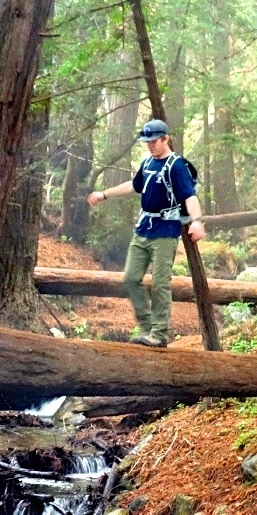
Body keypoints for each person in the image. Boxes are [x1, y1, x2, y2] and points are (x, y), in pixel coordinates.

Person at [87, 119, 206, 347]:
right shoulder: (148, 162)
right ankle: (146, 326)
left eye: (154, 141)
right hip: (143, 229)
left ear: (165, 139)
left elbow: (189, 196)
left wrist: (197, 221)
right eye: (147, 141)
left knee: (161, 283)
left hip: (165, 232)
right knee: (131, 278)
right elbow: (134, 185)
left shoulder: (176, 165)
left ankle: (159, 334)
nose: (150, 145)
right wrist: (104, 194)